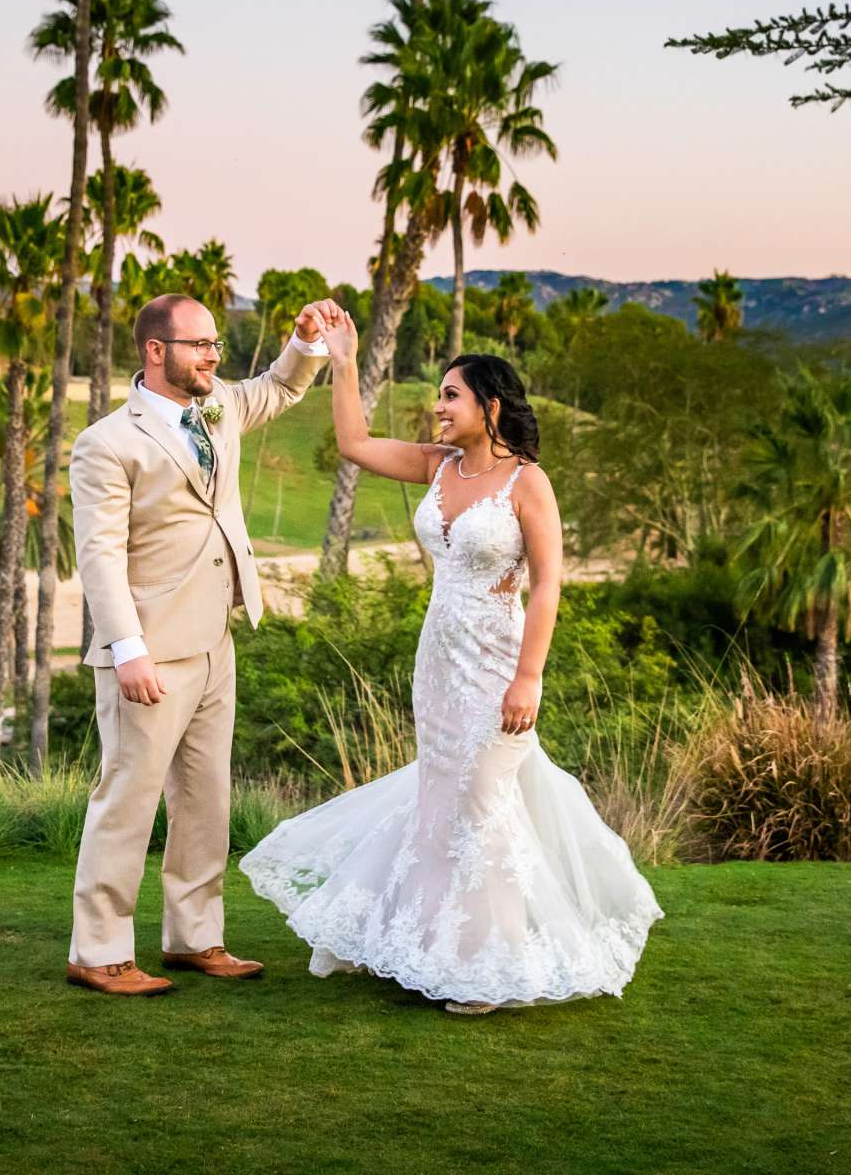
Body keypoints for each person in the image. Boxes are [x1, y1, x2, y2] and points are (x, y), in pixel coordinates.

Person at [240, 307, 662, 1014]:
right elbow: (352, 442)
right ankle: (428, 944)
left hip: (498, 664)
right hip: (437, 660)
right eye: (438, 395)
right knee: (442, 799)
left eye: (450, 395)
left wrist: (529, 677)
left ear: (490, 406)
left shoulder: (529, 483)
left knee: (481, 799)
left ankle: (486, 966)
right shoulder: (437, 467)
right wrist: (343, 360)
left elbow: (550, 585)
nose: (437, 407)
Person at [64, 291, 338, 996]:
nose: (214, 356)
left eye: (215, 344)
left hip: (217, 640)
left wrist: (304, 341)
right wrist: (126, 649)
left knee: (205, 798)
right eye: (199, 345)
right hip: (149, 650)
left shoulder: (216, 406)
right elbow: (98, 554)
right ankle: (98, 952)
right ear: (156, 352)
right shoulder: (106, 443)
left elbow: (277, 388)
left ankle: (194, 938)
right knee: (128, 797)